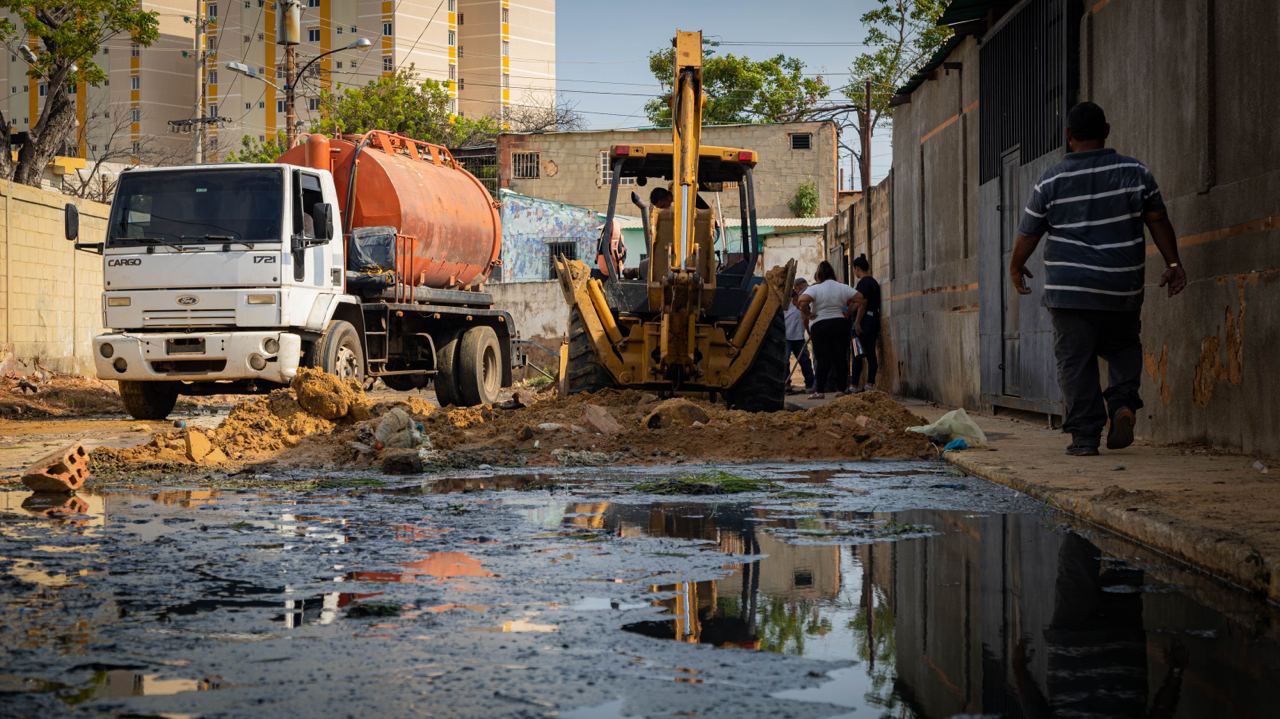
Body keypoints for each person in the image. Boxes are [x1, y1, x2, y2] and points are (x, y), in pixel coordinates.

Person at [1010, 101, 1186, 456]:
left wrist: (1016, 265)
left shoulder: (1051, 180)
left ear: (1068, 135)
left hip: (1070, 291)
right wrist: (1173, 263)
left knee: (1075, 361)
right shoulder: (1135, 172)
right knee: (1123, 347)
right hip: (1120, 285)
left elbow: (1029, 232)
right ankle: (1122, 405)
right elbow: (1157, 219)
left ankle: (1085, 437)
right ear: (1106, 131)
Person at [797, 261, 856, 400]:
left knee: (822, 359)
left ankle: (819, 391)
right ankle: (841, 389)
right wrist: (848, 312)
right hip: (840, 324)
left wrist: (808, 314)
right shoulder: (842, 287)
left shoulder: (815, 289)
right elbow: (860, 299)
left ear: (819, 275)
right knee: (840, 358)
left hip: (820, 326)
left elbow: (801, 301)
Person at [849, 254, 881, 393]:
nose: (854, 272)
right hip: (873, 322)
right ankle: (870, 383)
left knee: (857, 354)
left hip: (863, 324)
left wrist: (856, 322)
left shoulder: (863, 283)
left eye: (854, 269)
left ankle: (854, 385)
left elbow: (862, 303)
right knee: (871, 353)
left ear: (857, 268)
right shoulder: (874, 283)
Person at [784, 277, 815, 394]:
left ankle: (810, 384)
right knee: (785, 361)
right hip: (786, 337)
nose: (804, 292)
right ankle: (786, 384)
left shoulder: (805, 303)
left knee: (805, 361)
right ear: (796, 288)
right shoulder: (786, 303)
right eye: (801, 289)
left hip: (799, 337)